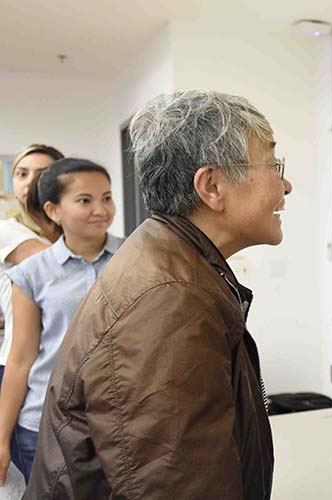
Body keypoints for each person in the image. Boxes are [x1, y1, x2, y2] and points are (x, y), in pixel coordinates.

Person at [23, 90, 291, 500]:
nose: (286, 185)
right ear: (212, 186)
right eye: (273, 165)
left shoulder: (170, 261)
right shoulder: (170, 297)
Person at [0, 158, 121, 483]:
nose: (101, 210)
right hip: (46, 424)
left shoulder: (134, 257)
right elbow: (21, 358)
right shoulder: (31, 273)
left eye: (106, 198)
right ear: (53, 211)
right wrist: (1, 438)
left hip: (119, 420)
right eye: (85, 200)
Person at [0, 145, 63, 390]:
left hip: (65, 363)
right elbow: (62, 267)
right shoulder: (7, 230)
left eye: (42, 173)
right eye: (22, 174)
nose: (30, 182)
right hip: (21, 367)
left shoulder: (66, 233)